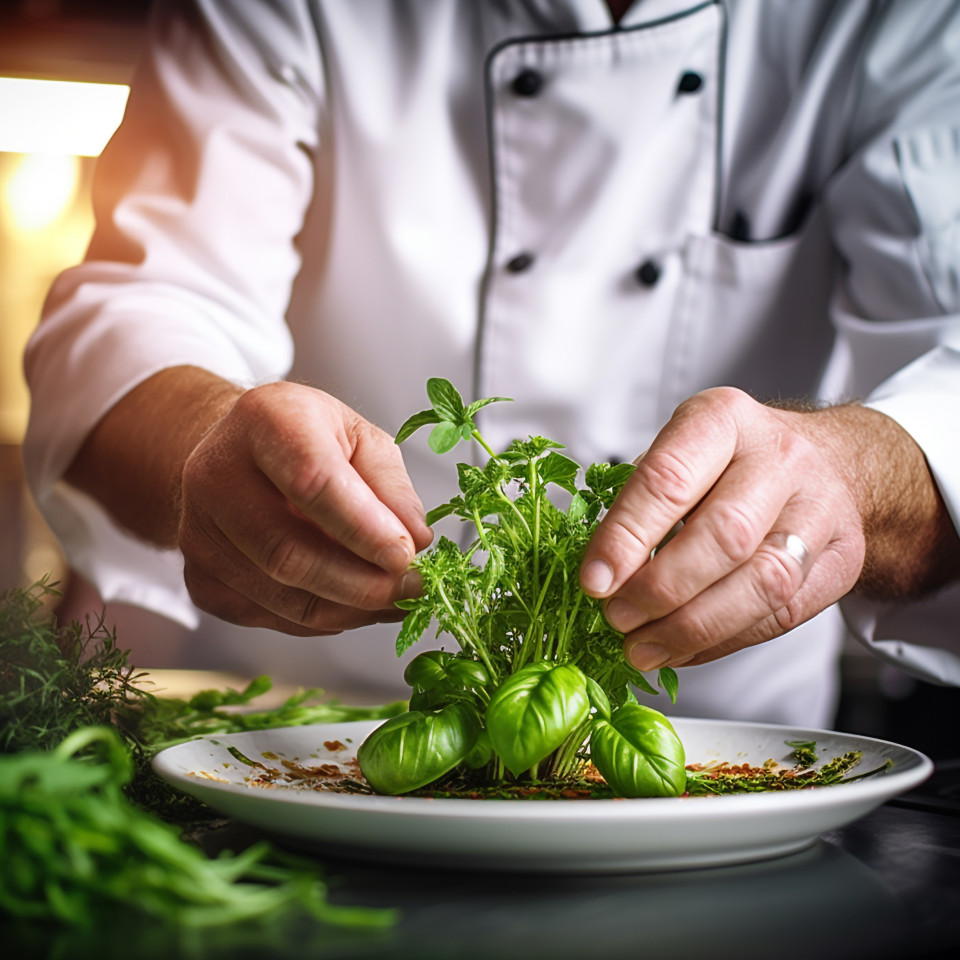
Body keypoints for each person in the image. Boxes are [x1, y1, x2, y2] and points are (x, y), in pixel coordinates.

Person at [23, 0, 960, 726]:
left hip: (716, 755)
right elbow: (145, 304)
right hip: (302, 734)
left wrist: (850, 478)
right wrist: (203, 448)